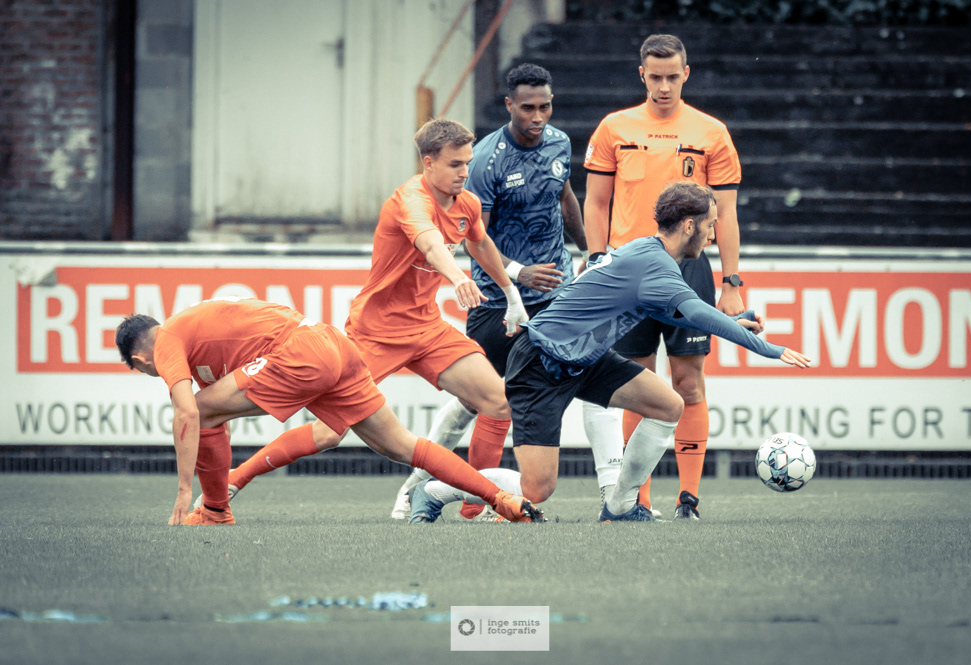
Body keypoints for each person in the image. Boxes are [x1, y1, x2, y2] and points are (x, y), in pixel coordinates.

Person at [407, 182, 811, 523]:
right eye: (710, 225)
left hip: (584, 358)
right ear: (689, 225)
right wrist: (767, 348)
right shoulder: (656, 265)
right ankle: (435, 491)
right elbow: (696, 312)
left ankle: (620, 506)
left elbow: (678, 311)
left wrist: (736, 323)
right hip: (541, 360)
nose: (712, 235)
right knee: (537, 489)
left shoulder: (648, 253)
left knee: (668, 405)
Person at [195, 118, 531, 511]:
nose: (464, 172)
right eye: (455, 164)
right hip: (376, 332)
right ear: (428, 163)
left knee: (497, 402)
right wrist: (457, 277)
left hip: (428, 328)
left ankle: (475, 509)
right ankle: (236, 478)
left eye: (467, 163)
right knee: (329, 432)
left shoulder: (467, 204)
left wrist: (511, 293)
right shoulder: (410, 200)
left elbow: (481, 244)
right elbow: (430, 244)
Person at [389, 63, 622, 522]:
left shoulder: (559, 142)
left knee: (596, 378)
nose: (538, 116)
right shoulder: (483, 161)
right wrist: (518, 274)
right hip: (500, 303)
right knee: (476, 402)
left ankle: (616, 498)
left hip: (558, 297)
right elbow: (475, 237)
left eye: (545, 106)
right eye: (528, 107)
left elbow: (565, 198)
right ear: (509, 104)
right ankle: (416, 489)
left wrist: (591, 251)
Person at [114, 298, 543, 525]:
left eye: (145, 370)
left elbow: (188, 414)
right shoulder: (193, 335)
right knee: (401, 446)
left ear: (139, 361)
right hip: (333, 343)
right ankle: (501, 498)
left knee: (201, 410)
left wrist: (184, 490)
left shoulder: (165, 340)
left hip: (301, 351)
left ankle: (214, 511)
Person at [581, 33, 744, 520]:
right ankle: (638, 499)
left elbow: (727, 215)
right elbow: (596, 202)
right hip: (628, 271)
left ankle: (688, 499)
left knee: (689, 384)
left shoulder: (712, 132)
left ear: (686, 73)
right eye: (655, 77)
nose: (665, 86)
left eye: (673, 76)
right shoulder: (614, 128)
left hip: (689, 270)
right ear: (642, 75)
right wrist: (596, 258)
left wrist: (732, 282)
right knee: (638, 384)